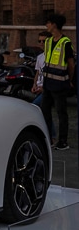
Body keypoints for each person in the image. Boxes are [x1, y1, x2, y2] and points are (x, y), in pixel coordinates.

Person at [40, 14, 75, 150]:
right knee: (45, 111)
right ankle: (48, 138)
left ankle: (63, 142)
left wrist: (69, 79)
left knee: (61, 113)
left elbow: (71, 64)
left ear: (54, 24)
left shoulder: (65, 42)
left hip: (60, 84)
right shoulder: (48, 41)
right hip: (48, 83)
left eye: (48, 23)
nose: (46, 26)